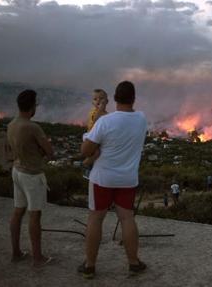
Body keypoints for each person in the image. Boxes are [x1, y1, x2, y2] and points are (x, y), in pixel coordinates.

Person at [79, 81, 147, 279]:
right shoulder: (141, 119)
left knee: (95, 219)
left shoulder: (105, 122)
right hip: (127, 179)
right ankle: (133, 263)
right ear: (134, 99)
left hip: (102, 178)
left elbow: (85, 150)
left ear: (115, 99)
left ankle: (90, 266)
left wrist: (87, 136)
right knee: (127, 218)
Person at [7, 90, 53, 267]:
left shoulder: (11, 124)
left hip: (17, 171)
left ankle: (16, 252)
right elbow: (50, 152)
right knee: (35, 215)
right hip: (32, 175)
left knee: (18, 211)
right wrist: (42, 150)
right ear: (32, 106)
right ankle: (37, 257)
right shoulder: (32, 127)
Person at [82, 89, 109, 179]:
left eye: (101, 98)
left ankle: (90, 170)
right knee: (97, 153)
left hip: (97, 137)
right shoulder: (94, 111)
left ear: (107, 101)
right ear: (92, 102)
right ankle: (86, 163)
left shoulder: (106, 114)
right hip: (90, 136)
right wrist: (101, 108)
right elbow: (96, 120)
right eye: (95, 99)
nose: (98, 100)